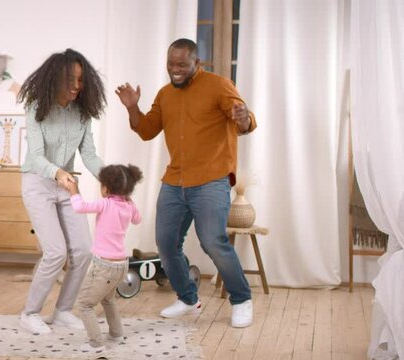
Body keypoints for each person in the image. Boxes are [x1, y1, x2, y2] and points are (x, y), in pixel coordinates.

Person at [115, 38, 257, 328]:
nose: (175, 69)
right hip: (175, 180)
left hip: (211, 179)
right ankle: (188, 299)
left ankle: (241, 299)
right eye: (171, 64)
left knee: (213, 242)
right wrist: (132, 107)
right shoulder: (165, 94)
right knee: (166, 243)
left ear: (197, 63)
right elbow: (146, 130)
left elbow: (245, 122)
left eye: (182, 64)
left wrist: (243, 118)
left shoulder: (219, 85)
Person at [17, 49, 106, 334]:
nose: (77, 86)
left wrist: (110, 179)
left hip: (68, 184)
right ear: (55, 78)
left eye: (81, 80)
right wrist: (58, 173)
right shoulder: (36, 107)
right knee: (55, 252)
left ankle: (63, 310)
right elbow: (36, 156)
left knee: (82, 251)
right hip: (39, 182)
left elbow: (89, 154)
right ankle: (29, 313)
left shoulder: (82, 113)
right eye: (71, 79)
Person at [66, 164, 142, 353]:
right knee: (108, 300)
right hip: (121, 265)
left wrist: (73, 188)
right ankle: (116, 335)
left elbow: (78, 206)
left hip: (104, 266)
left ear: (106, 188)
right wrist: (129, 200)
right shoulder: (129, 205)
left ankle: (96, 344)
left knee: (85, 304)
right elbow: (137, 219)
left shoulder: (105, 203)